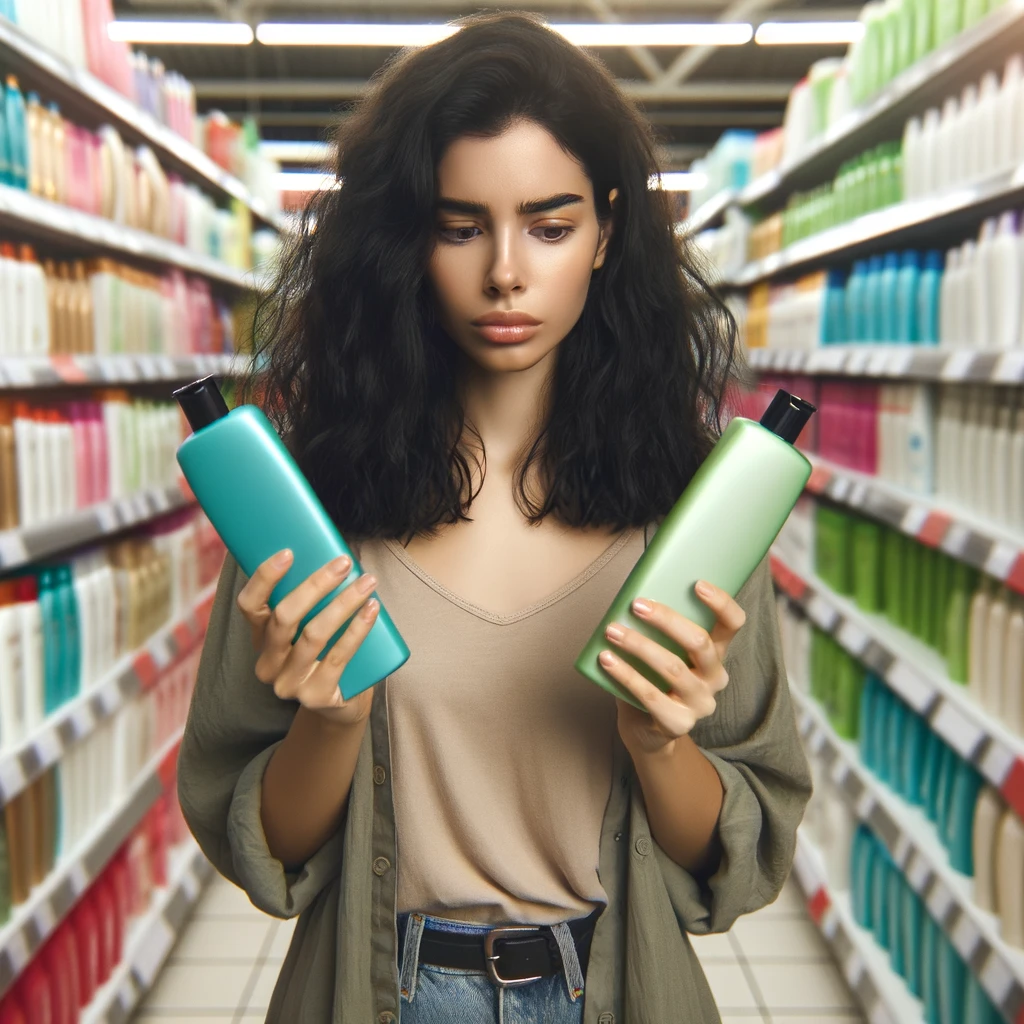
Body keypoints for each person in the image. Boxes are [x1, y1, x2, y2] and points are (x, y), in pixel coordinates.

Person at [177, 11, 811, 1023]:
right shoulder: (312, 505)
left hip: (614, 989)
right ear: (404, 239)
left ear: (606, 231)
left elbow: (738, 859)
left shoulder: (694, 513)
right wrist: (330, 721)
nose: (506, 271)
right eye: (459, 225)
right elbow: (268, 852)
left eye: (550, 226)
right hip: (376, 989)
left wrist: (658, 745)